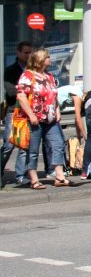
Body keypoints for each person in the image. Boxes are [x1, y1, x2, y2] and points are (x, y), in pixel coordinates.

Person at [17, 48, 70, 189]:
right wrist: (31, 115)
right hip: (34, 119)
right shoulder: (28, 76)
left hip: (51, 120)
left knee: (58, 145)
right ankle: (34, 179)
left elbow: (53, 96)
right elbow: (21, 97)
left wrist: (57, 110)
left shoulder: (49, 77)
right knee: (32, 150)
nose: (50, 60)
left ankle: (59, 176)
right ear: (40, 59)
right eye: (47, 57)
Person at [2, 41, 32, 186]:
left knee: (24, 145)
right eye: (26, 52)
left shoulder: (32, 70)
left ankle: (20, 175)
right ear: (18, 53)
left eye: (30, 52)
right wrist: (24, 89)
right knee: (9, 144)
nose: (28, 55)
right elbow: (11, 92)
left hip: (28, 110)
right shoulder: (11, 70)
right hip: (13, 110)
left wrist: (21, 88)